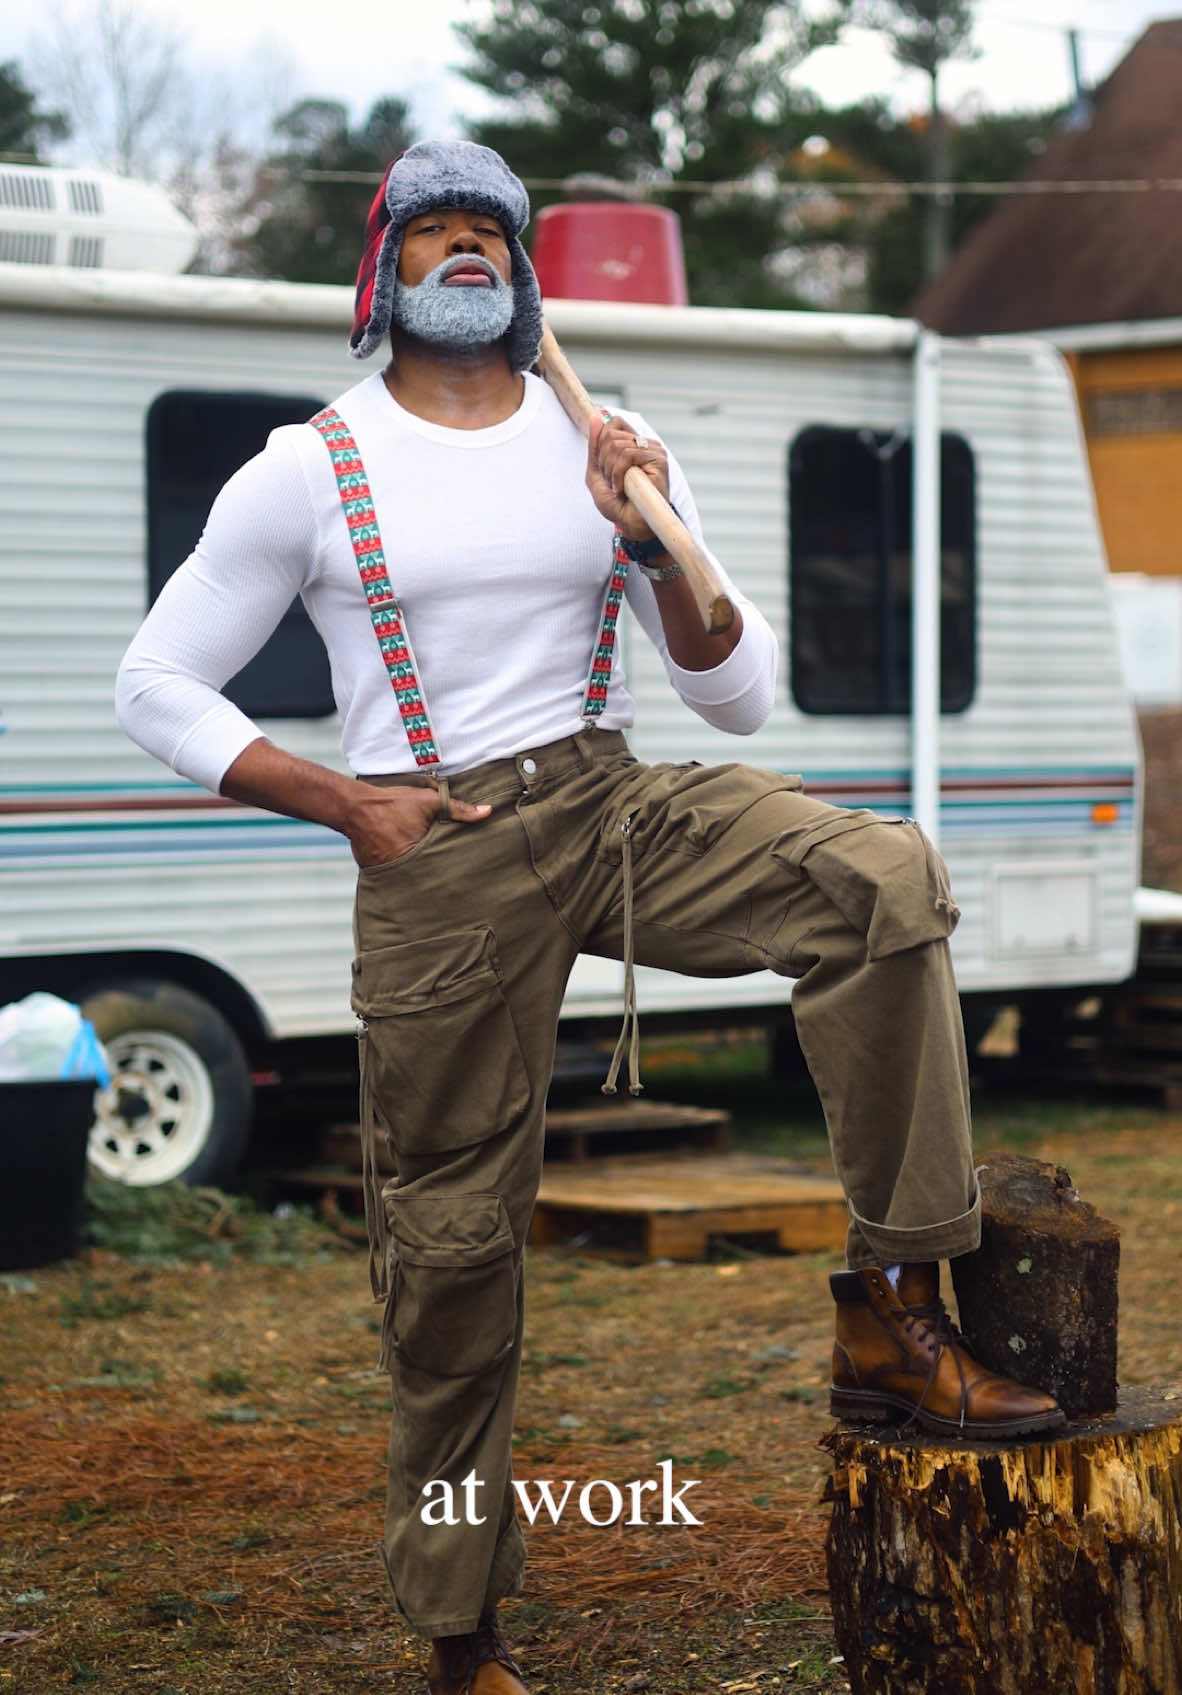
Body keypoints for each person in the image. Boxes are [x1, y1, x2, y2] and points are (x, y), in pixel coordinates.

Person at [116, 139, 1064, 1695]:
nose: (466, 250)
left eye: (491, 228)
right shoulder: (308, 466)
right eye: (433, 231)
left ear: (525, 269)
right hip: (437, 850)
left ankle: (898, 1300)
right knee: (451, 1251)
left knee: (876, 878)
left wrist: (645, 530)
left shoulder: (608, 441)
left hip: (609, 797)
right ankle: (457, 1624)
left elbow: (734, 687)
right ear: (384, 272)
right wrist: (340, 798)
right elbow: (151, 683)